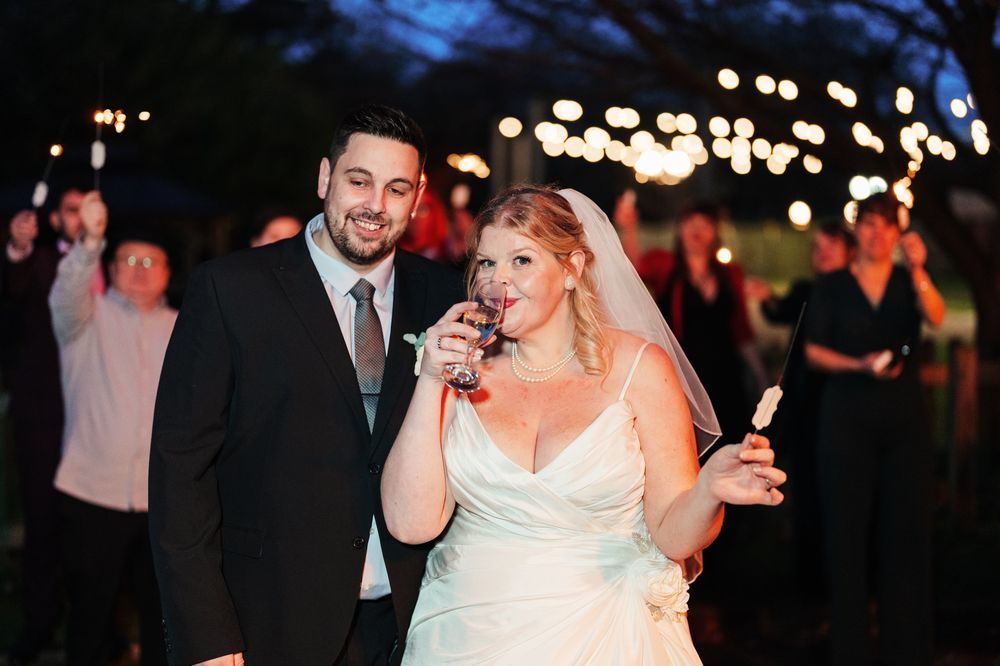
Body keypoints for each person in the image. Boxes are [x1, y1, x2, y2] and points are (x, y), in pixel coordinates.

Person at [381, 185, 787, 664]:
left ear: (571, 269)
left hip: (606, 630)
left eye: (522, 261)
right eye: (487, 263)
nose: (499, 282)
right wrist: (430, 379)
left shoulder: (640, 369)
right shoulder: (460, 366)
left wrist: (708, 491)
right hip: (465, 633)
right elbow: (410, 525)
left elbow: (672, 536)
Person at [149, 104, 463, 665]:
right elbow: (180, 476)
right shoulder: (230, 291)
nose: (374, 206)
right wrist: (207, 637)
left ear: (417, 199)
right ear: (325, 177)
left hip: (417, 622)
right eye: (358, 181)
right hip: (267, 620)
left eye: (396, 189)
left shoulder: (444, 297)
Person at [804, 193, 944, 666]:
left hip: (904, 425)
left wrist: (921, 269)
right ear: (857, 230)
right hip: (846, 422)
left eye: (886, 224)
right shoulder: (833, 285)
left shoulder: (908, 282)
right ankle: (850, 649)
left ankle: (907, 649)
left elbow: (938, 317)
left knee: (905, 538)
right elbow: (814, 352)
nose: (876, 232)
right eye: (867, 223)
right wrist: (859, 365)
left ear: (897, 232)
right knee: (846, 539)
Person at [48, 191, 175, 665]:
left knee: (163, 618)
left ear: (167, 272)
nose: (140, 268)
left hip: (160, 500)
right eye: (128, 259)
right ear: (112, 267)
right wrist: (91, 240)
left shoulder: (185, 328)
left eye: (151, 260)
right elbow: (68, 288)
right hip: (90, 492)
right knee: (90, 617)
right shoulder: (84, 319)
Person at [0, 187, 103, 664]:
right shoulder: (38, 264)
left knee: (94, 528)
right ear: (56, 218)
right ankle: (38, 626)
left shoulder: (114, 264)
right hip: (44, 413)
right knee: (43, 523)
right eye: (69, 209)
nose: (78, 216)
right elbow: (14, 287)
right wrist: (18, 248)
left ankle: (94, 628)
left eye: (87, 207)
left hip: (100, 415)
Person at [745, 221, 856, 598]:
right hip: (805, 405)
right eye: (818, 247)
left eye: (831, 247)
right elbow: (779, 311)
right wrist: (765, 298)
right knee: (805, 487)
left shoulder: (854, 294)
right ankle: (807, 579)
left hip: (844, 404)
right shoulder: (807, 290)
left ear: (849, 253)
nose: (822, 253)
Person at [617, 197, 767, 444]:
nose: (696, 230)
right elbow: (634, 269)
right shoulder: (665, 265)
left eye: (705, 224)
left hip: (726, 375)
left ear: (715, 233)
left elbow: (742, 330)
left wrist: (761, 377)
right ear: (680, 228)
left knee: (732, 441)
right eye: (690, 223)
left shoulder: (731, 273)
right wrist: (630, 226)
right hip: (683, 372)